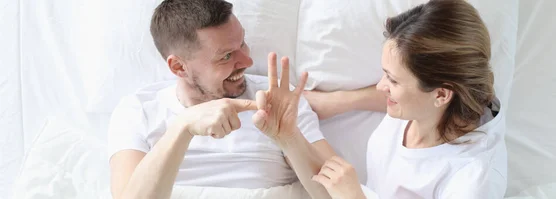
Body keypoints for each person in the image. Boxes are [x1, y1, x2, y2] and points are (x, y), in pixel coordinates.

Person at [106, 0, 335, 198]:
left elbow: (337, 194)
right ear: (178, 67)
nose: (246, 61)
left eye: (242, 43)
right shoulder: (137, 111)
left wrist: (289, 138)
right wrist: (183, 127)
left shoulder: (276, 99)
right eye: (226, 56)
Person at [304, 0, 507, 198]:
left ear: (441, 95)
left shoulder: (474, 181)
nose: (380, 86)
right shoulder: (458, 96)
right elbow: (414, 92)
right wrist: (340, 101)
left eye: (392, 80)